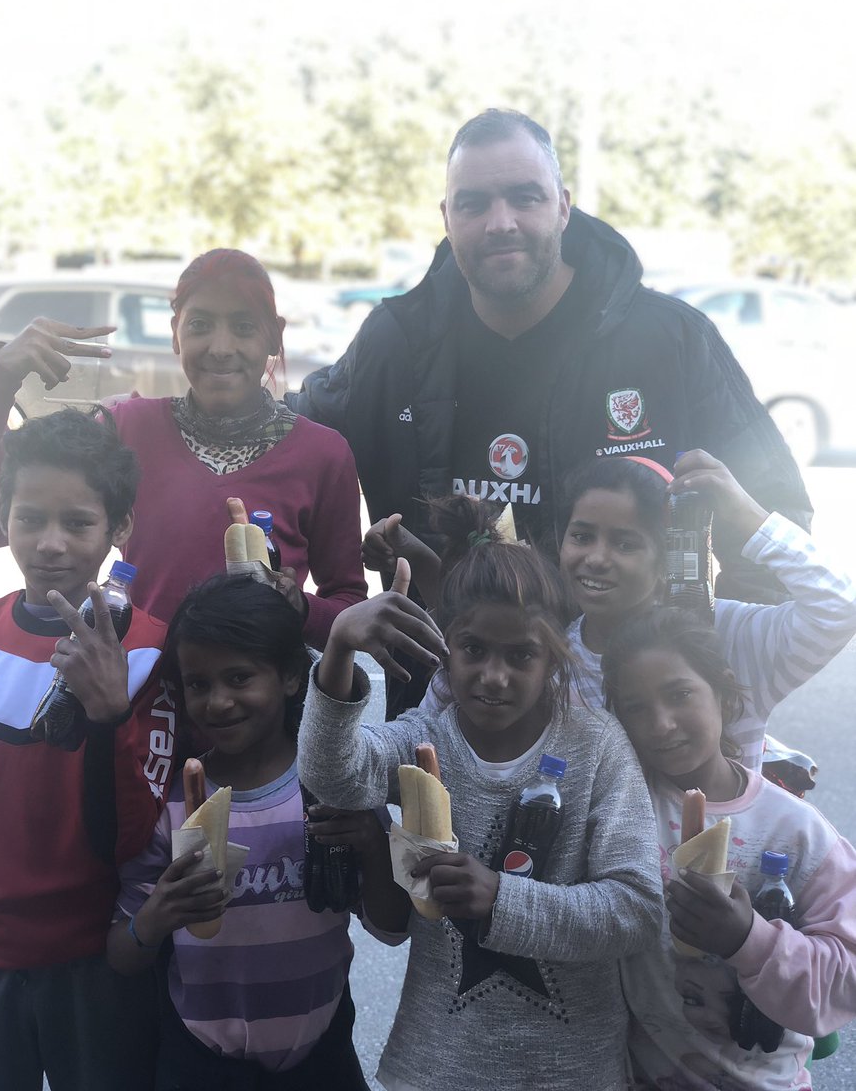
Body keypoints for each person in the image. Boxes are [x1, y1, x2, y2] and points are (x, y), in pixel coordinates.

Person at [290, 109, 812, 618]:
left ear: (563, 206)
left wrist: (723, 659)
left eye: (525, 197)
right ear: (446, 218)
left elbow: (775, 509)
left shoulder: (671, 339)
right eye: (473, 204)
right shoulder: (396, 341)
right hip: (446, 693)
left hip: (625, 695)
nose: (501, 222)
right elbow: (282, 443)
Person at [297, 497, 664, 1091]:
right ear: (448, 645)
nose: (493, 676)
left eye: (520, 655)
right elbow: (336, 773)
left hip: (571, 1070)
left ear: (553, 657)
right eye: (474, 651)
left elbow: (637, 909)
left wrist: (501, 899)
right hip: (439, 1064)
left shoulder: (597, 748)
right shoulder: (431, 734)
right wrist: (338, 651)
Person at [0, 248, 367, 646]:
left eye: (244, 327)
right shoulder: (126, 427)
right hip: (128, 691)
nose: (221, 347)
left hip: (252, 707)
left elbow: (348, 603)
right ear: (175, 334)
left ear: (275, 336)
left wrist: (298, 606)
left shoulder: (324, 454)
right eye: (200, 325)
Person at [108, 574, 405, 1091]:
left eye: (239, 678)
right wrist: (154, 919)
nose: (218, 702)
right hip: (201, 1063)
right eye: (198, 684)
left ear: (291, 677)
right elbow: (121, 953)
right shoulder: (172, 803)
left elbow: (393, 924)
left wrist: (376, 847)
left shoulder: (333, 787)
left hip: (322, 1052)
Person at [0, 407, 177, 1091]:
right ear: (4, 517)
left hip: (93, 960)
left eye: (78, 523)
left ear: (119, 529)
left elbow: (133, 836)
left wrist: (110, 717)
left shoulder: (149, 650)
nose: (51, 543)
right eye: (30, 518)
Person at [398, 449, 856, 768]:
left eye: (625, 543)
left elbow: (838, 607)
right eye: (582, 535)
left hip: (715, 895)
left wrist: (747, 515)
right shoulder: (550, 655)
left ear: (665, 558)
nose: (597, 557)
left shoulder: (728, 635)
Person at [600, 609, 856, 1090]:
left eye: (679, 695)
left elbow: (845, 979)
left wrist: (748, 940)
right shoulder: (619, 805)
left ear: (721, 688)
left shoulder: (794, 832)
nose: (660, 724)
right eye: (636, 707)